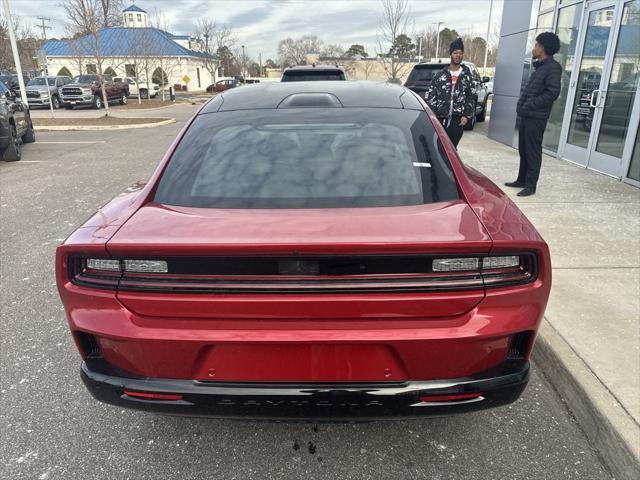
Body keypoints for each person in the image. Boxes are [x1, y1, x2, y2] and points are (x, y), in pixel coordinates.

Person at [505, 32, 562, 197]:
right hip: (527, 115)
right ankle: (521, 180)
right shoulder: (540, 67)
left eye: (536, 45)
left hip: (536, 118)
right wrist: (522, 105)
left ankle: (531, 186)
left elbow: (552, 93)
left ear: (543, 48)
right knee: (523, 149)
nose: (534, 48)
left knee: (532, 151)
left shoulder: (552, 67)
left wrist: (530, 104)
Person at [425, 38, 475, 148]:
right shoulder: (439, 76)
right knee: (439, 148)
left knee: (452, 150)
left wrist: (466, 115)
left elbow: (470, 97)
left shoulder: (467, 76)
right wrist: (433, 116)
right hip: (440, 119)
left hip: (457, 121)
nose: (458, 55)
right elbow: (432, 97)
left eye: (460, 53)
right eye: (455, 53)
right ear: (451, 54)